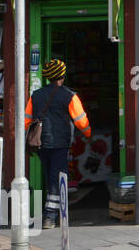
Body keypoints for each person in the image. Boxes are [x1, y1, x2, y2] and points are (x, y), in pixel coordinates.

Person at [24, 58, 91, 228]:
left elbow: (26, 120)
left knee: (50, 176)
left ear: (47, 77)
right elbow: (81, 121)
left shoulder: (36, 95)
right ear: (62, 75)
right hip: (60, 143)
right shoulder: (69, 95)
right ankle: (50, 216)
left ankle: (55, 213)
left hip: (40, 143)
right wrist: (88, 134)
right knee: (57, 178)